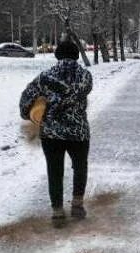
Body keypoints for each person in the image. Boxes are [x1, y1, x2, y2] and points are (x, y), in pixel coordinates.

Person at [20, 38, 94, 227]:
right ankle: (77, 205)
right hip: (79, 133)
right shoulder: (85, 77)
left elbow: (26, 99)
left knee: (55, 170)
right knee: (80, 167)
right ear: (77, 56)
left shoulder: (45, 77)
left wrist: (31, 114)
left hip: (51, 133)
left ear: (57, 55)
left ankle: (58, 212)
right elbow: (81, 92)